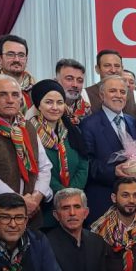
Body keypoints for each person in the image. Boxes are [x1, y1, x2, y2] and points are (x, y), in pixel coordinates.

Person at [0, 74, 53, 229]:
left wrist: (36, 197)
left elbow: (44, 166)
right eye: (3, 94)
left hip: (32, 216)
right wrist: (19, 202)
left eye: (15, 95)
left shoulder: (27, 127)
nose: (10, 100)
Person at [26, 79, 88, 228]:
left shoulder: (72, 130)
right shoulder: (29, 132)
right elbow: (36, 169)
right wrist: (62, 193)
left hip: (74, 204)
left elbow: (83, 162)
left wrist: (72, 192)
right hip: (45, 205)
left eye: (59, 102)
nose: (55, 107)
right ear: (38, 105)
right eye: (49, 102)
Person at [81, 74, 136, 223]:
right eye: (113, 91)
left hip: (130, 203)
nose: (118, 95)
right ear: (102, 95)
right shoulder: (88, 125)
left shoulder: (133, 122)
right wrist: (113, 171)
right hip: (103, 199)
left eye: (122, 92)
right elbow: (86, 164)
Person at [84, 49, 136, 130]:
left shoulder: (135, 95)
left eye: (117, 66)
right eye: (107, 65)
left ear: (122, 68)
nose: (113, 70)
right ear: (97, 69)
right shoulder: (85, 94)